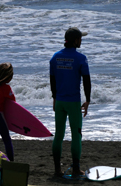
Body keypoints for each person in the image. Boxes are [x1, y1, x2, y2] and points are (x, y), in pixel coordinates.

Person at [50, 27, 91, 178]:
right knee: (76, 135)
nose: (81, 41)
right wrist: (87, 100)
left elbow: (52, 80)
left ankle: (57, 170)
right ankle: (75, 169)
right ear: (75, 41)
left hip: (60, 101)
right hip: (73, 102)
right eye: (80, 39)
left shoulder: (55, 57)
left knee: (58, 135)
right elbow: (86, 81)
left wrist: (54, 98)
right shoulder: (81, 58)